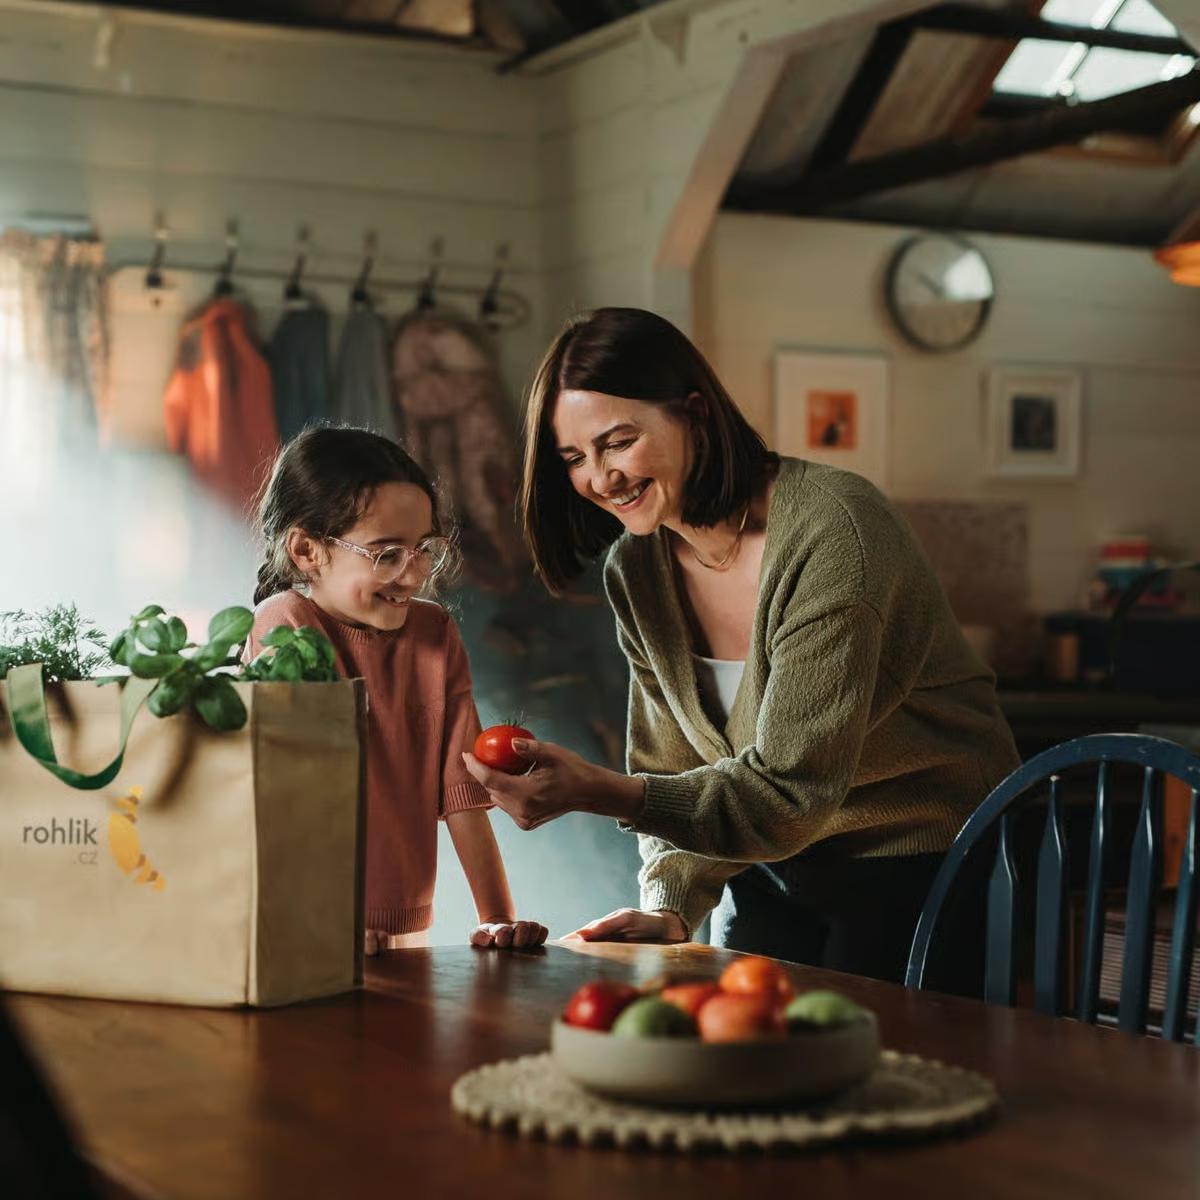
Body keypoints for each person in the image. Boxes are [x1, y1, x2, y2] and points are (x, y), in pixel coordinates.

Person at [462, 307, 1018, 988]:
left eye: (619, 441)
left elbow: (787, 791)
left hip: (927, 860)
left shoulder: (833, 532)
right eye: (575, 458)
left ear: (694, 413)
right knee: (720, 1043)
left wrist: (601, 792)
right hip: (774, 856)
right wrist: (670, 904)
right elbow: (676, 764)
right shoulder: (638, 570)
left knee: (853, 1071)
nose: (599, 478)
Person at [250, 426, 547, 954]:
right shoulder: (285, 625)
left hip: (407, 928)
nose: (412, 576)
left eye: (421, 550)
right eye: (387, 554)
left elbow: (463, 795)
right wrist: (323, 915)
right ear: (305, 550)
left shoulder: (436, 635)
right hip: (303, 926)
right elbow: (289, 797)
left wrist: (498, 918)